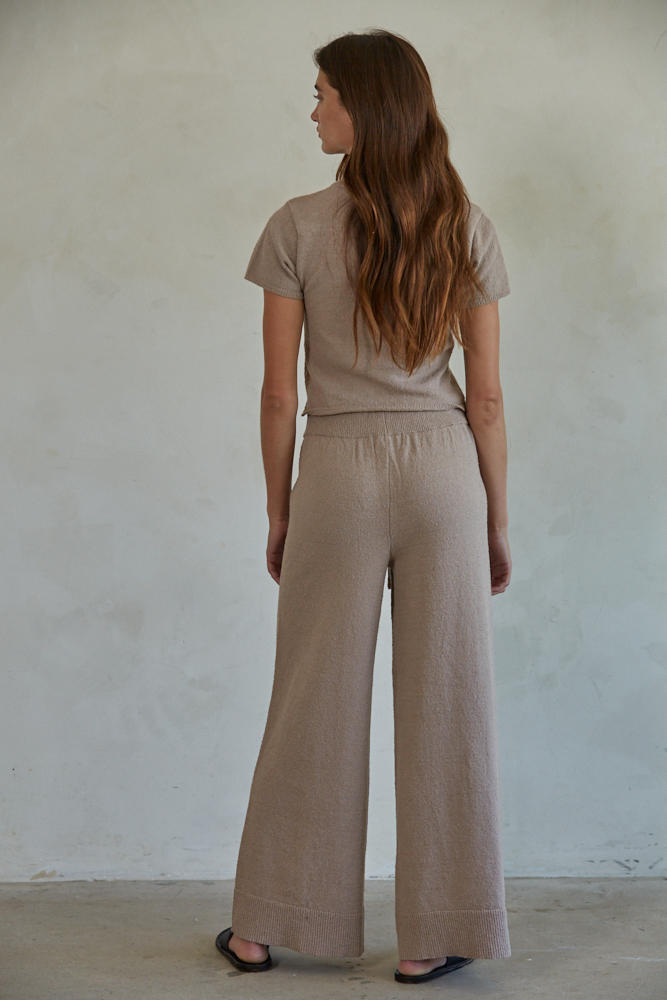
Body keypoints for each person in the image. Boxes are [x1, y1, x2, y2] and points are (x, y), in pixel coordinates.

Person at [216, 28, 513, 986]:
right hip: (443, 470)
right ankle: (436, 933)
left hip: (338, 470)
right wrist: (494, 518)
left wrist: (280, 509)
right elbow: (487, 397)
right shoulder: (463, 224)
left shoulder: (297, 226)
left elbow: (277, 393)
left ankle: (264, 927)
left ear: (364, 106)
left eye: (323, 94)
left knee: (312, 698)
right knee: (449, 703)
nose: (313, 109)